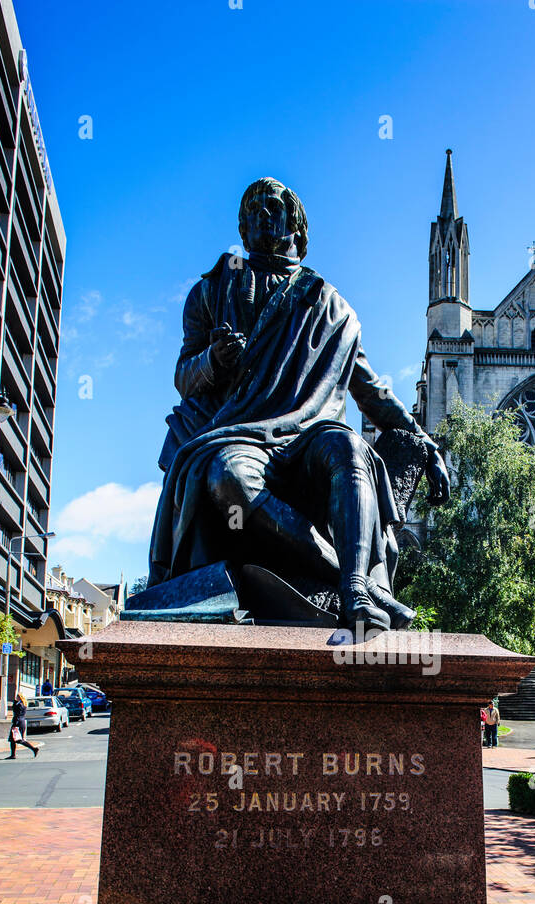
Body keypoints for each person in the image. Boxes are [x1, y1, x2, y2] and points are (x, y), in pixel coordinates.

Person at [146, 177, 451, 630]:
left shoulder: (330, 306)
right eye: (250, 210)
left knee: (351, 450)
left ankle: (354, 592)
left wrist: (425, 443)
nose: (260, 215)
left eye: (271, 206)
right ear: (242, 228)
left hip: (309, 434)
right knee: (227, 475)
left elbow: (371, 391)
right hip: (240, 434)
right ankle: (352, 577)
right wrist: (214, 359)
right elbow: (184, 379)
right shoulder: (210, 292)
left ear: (297, 225)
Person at [8, 691, 40, 759]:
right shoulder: (24, 704)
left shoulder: (19, 705)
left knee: (18, 739)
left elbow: (17, 714)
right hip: (21, 722)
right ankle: (13, 755)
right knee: (13, 739)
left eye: (17, 696)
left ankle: (34, 749)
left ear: (20, 697)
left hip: (18, 723)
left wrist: (15, 725)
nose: (16, 697)